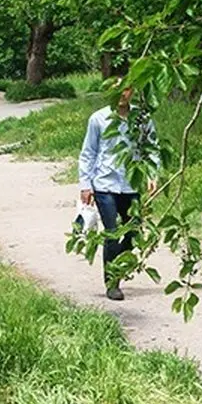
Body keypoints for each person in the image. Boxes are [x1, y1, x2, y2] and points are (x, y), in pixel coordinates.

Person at [78, 87, 159, 300]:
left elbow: (151, 147)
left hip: (130, 184)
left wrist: (152, 173)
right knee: (112, 231)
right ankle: (112, 282)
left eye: (126, 89)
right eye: (117, 90)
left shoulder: (141, 119)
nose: (123, 94)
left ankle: (119, 264)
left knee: (134, 231)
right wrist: (85, 185)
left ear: (132, 91)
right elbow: (88, 153)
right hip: (104, 184)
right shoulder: (99, 119)